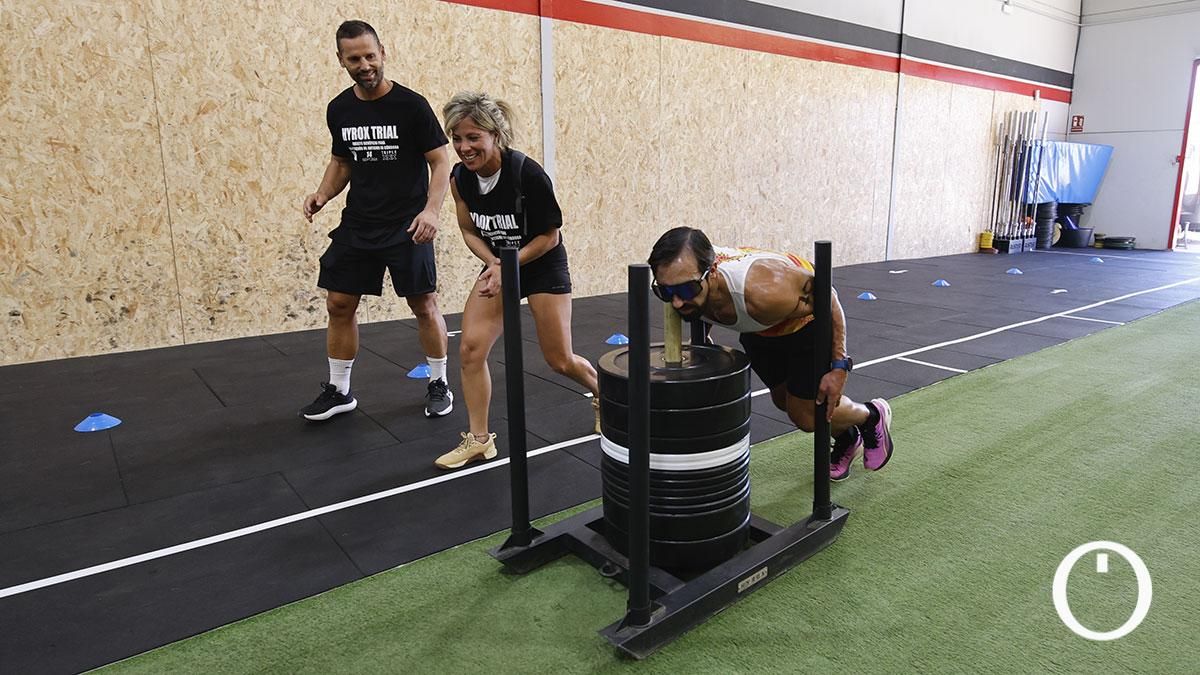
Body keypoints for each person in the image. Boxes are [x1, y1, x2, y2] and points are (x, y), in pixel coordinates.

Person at [647, 227, 894, 482]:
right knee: (783, 401)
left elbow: (828, 297)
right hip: (758, 329)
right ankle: (847, 437)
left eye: (686, 291)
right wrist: (701, 333)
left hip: (805, 325)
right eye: (665, 292)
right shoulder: (685, 279)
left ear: (712, 273)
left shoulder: (764, 291)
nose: (675, 302)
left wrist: (839, 366)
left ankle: (870, 415)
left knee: (806, 416)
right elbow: (693, 299)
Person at [433, 91, 599, 470]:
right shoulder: (460, 178)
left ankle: (603, 393)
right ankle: (478, 440)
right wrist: (494, 262)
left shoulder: (528, 173)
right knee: (471, 349)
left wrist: (508, 264)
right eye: (457, 138)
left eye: (473, 137)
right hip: (499, 263)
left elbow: (549, 237)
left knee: (559, 359)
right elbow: (468, 229)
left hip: (540, 262)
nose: (463, 147)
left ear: (496, 135)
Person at [300, 20, 454, 422]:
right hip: (359, 222)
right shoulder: (340, 109)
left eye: (370, 55)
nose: (365, 64)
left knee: (423, 304)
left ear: (383, 53)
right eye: (355, 58)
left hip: (407, 222)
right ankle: (339, 390)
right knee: (339, 303)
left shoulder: (411, 106)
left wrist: (431, 211)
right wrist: (322, 194)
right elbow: (341, 161)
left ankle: (439, 382)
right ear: (342, 61)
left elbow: (440, 160)